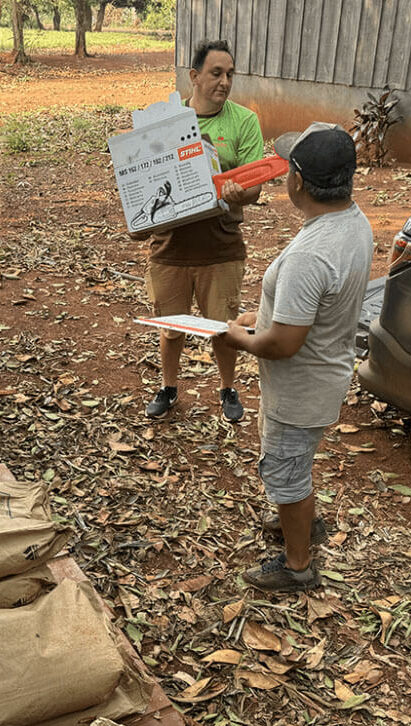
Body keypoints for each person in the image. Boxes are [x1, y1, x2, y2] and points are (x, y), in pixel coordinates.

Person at [222, 123, 372, 592]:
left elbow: (283, 344)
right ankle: (300, 521)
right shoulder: (354, 222)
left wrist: (236, 336)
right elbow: (312, 310)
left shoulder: (311, 254)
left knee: (285, 473)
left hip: (300, 386)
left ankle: (298, 563)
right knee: (295, 463)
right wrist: (262, 313)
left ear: (298, 182)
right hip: (326, 372)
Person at [141, 38, 264, 423]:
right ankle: (169, 386)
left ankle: (228, 389)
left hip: (221, 248)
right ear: (194, 77)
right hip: (171, 247)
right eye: (216, 73)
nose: (224, 82)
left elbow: (255, 186)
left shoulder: (244, 121)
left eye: (230, 74)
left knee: (223, 329)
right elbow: (145, 176)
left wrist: (237, 191)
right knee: (171, 326)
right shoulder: (165, 121)